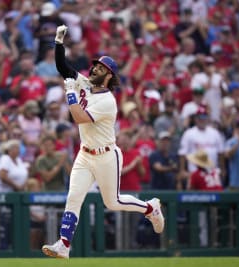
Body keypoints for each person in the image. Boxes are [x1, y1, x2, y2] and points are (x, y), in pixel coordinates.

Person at [41, 25, 164, 259]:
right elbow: (62, 67)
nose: (95, 68)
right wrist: (58, 42)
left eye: (100, 67)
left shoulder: (108, 100)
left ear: (109, 75)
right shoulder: (86, 84)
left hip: (107, 154)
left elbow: (78, 116)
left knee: (113, 202)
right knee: (73, 197)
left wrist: (70, 93)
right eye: (96, 65)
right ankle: (64, 245)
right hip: (85, 154)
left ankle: (150, 207)